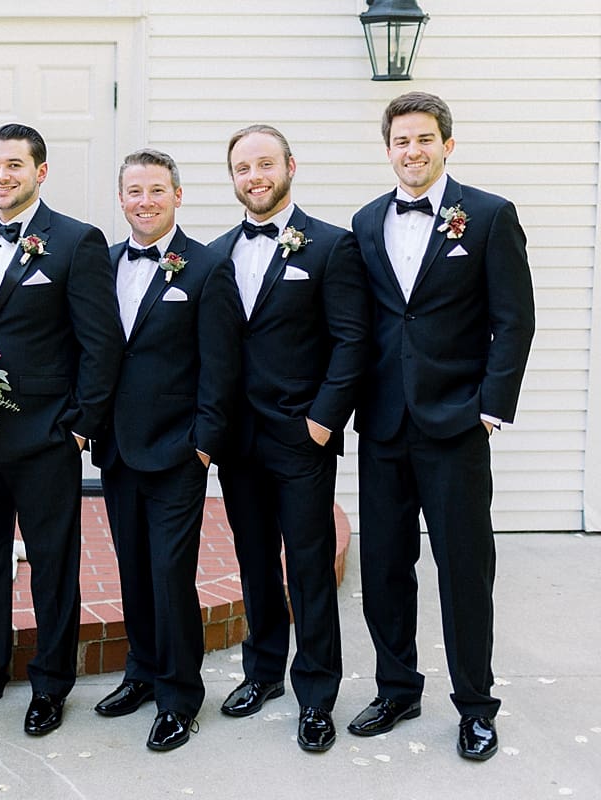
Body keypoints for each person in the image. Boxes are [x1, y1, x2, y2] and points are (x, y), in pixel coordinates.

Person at [348, 92, 535, 761]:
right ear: (388, 148)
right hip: (385, 426)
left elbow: (514, 320)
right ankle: (396, 688)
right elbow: (363, 324)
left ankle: (476, 705)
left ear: (447, 144)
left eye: (424, 139)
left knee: (462, 569)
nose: (413, 151)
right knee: (385, 566)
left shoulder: (487, 216)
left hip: (456, 425)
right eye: (401, 141)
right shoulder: (366, 222)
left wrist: (490, 407)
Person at [0, 123, 123, 735]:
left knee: (52, 563)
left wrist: (79, 427)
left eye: (14, 165)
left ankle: (50, 683)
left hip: (48, 436)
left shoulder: (76, 241)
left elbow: (101, 344)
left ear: (40, 171)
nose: (2, 176)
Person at [209, 125, 371, 753]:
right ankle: (263, 673)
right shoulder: (217, 252)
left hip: (302, 436)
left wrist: (324, 419)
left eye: (265, 164)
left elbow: (352, 339)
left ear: (290, 166)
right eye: (242, 167)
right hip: (238, 441)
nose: (255, 176)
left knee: (308, 567)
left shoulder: (332, 246)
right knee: (253, 560)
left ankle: (316, 695)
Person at [91, 149, 241, 751]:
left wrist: (204, 445)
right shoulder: (102, 264)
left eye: (156, 190)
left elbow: (221, 367)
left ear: (177, 195)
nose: (145, 201)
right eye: (134, 191)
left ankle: (179, 694)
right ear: (121, 198)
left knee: (171, 573)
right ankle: (142, 673)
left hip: (178, 451)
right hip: (120, 449)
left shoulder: (207, 267)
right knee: (132, 567)